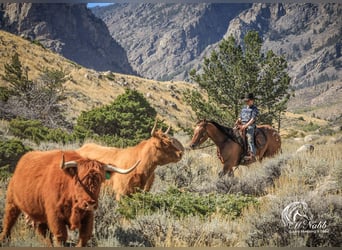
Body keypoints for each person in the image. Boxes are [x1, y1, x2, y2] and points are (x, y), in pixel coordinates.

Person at [235, 93, 259, 163]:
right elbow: (240, 117)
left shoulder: (254, 109)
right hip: (242, 124)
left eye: (248, 101)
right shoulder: (244, 108)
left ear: (252, 101)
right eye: (246, 101)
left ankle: (253, 155)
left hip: (250, 125)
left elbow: (253, 119)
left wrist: (245, 126)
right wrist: (238, 121)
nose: (246, 102)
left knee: (249, 138)